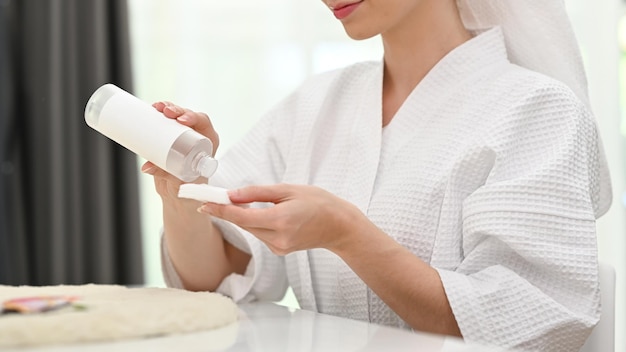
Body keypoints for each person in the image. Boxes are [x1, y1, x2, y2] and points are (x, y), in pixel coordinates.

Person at [141, 0, 612, 351]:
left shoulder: (538, 110)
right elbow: (222, 283)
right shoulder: (317, 105)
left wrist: (349, 235)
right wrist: (178, 192)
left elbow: (522, 322)